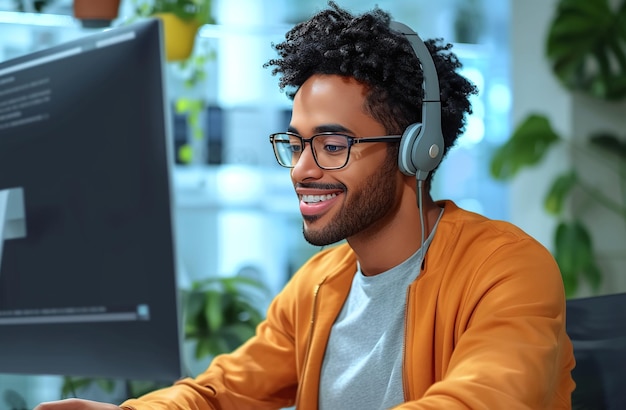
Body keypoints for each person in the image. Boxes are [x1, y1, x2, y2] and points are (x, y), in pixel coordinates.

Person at [35, 2, 575, 409]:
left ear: (417, 150)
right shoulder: (319, 284)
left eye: (333, 145)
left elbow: (479, 399)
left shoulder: (506, 269)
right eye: (296, 143)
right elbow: (220, 393)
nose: (301, 169)